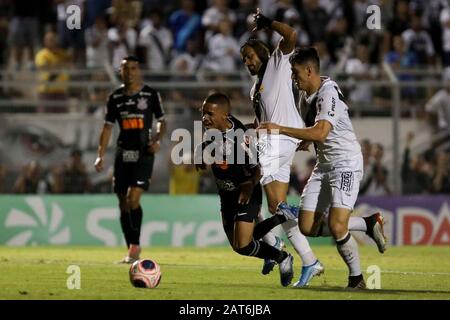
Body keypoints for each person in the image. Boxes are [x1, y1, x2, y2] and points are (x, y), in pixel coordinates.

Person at [259, 47, 387, 289]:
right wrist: (303, 140)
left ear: (309, 71)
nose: (294, 80)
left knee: (338, 226)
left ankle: (357, 280)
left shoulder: (328, 94)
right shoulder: (306, 96)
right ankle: (368, 224)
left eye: (296, 74)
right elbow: (314, 132)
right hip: (324, 166)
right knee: (307, 226)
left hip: (345, 163)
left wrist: (280, 129)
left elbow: (321, 131)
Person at [240, 9, 322, 287]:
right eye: (243, 59)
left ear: (261, 54)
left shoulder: (278, 62)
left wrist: (267, 23)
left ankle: (289, 248)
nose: (247, 62)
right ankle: (291, 252)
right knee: (274, 206)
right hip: (269, 143)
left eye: (249, 56)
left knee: (277, 206)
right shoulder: (255, 89)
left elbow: (291, 35)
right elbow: (262, 119)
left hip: (280, 142)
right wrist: (250, 130)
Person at [195, 92, 295, 286]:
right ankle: (280, 218)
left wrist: (249, 185)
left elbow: (257, 169)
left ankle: (282, 257)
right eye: (203, 112)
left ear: (224, 115)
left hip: (245, 193)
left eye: (209, 114)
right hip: (226, 195)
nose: (204, 117)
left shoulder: (240, 138)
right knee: (239, 244)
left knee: (243, 244)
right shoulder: (213, 127)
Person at [94, 56, 166, 264]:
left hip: (144, 153)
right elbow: (107, 127)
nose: (130, 72)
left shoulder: (150, 94)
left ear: (138, 71)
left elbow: (162, 122)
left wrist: (158, 139)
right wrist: (100, 154)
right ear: (120, 72)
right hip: (123, 152)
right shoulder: (115, 97)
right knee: (123, 202)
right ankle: (132, 248)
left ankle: (135, 246)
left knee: (133, 197)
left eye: (133, 68)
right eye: (126, 69)